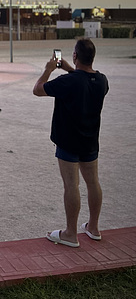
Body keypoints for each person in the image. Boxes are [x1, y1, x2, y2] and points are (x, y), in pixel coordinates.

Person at [33, 38, 109, 248]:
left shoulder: (69, 82)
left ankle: (70, 233)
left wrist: (49, 69)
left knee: (71, 185)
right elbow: (83, 81)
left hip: (68, 141)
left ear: (75, 56)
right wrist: (69, 68)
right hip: (90, 141)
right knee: (93, 182)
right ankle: (93, 228)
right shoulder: (102, 80)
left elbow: (38, 89)